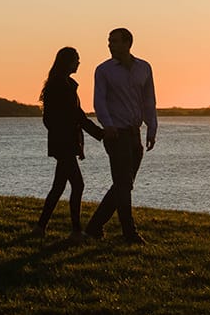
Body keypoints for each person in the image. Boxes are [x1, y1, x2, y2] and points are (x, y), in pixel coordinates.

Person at [86, 27, 157, 242]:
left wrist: (152, 127)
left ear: (128, 43)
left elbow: (148, 100)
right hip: (116, 134)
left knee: (124, 184)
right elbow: (99, 100)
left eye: (114, 41)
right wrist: (107, 125)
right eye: (109, 41)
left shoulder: (144, 68)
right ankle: (129, 233)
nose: (110, 45)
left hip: (135, 133)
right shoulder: (104, 70)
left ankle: (94, 227)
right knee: (123, 183)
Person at [36, 46, 102, 237]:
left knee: (58, 187)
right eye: (76, 59)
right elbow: (76, 117)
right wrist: (100, 134)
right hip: (64, 143)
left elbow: (71, 118)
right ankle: (75, 230)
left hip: (64, 143)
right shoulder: (61, 86)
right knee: (78, 185)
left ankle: (41, 227)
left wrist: (78, 145)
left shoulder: (64, 84)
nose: (79, 63)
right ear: (68, 62)